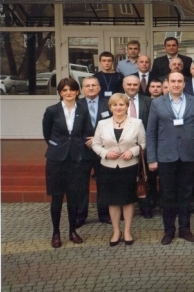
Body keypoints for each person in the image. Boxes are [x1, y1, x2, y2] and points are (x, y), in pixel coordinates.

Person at [146, 71, 194, 245]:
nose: (176, 84)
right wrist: (151, 158)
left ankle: (185, 229)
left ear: (184, 84)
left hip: (188, 155)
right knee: (167, 195)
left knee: (186, 194)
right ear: (168, 84)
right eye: (173, 81)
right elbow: (151, 132)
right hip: (165, 156)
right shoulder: (157, 103)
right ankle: (169, 231)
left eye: (180, 81)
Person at [43, 78, 92, 248]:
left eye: (71, 89)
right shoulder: (52, 111)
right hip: (56, 160)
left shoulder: (83, 110)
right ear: (60, 93)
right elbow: (47, 133)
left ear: (77, 92)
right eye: (64, 90)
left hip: (76, 159)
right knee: (57, 198)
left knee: (74, 197)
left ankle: (72, 230)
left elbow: (86, 131)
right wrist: (59, 146)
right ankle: (56, 233)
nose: (68, 93)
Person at [92, 92, 146, 246]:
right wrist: (105, 153)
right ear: (110, 107)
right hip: (108, 167)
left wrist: (132, 151)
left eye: (121, 104)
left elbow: (143, 143)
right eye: (115, 105)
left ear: (127, 106)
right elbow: (95, 144)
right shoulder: (102, 124)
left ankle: (127, 231)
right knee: (113, 201)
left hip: (129, 167)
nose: (118, 107)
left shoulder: (136, 123)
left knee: (128, 200)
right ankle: (116, 231)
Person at [76, 76, 110, 226]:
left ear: (99, 88)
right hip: (83, 150)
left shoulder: (108, 104)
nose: (90, 88)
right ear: (82, 89)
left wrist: (97, 139)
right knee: (81, 184)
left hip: (103, 149)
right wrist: (85, 140)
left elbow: (113, 124)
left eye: (93, 85)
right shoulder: (76, 104)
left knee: (104, 183)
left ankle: (104, 214)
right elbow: (72, 128)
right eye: (87, 86)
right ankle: (80, 215)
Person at [121, 74, 156, 219]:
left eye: (135, 84)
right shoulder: (117, 101)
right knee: (124, 179)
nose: (132, 87)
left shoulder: (149, 101)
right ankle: (123, 208)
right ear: (123, 85)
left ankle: (145, 208)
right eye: (129, 84)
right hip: (122, 146)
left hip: (144, 145)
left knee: (144, 177)